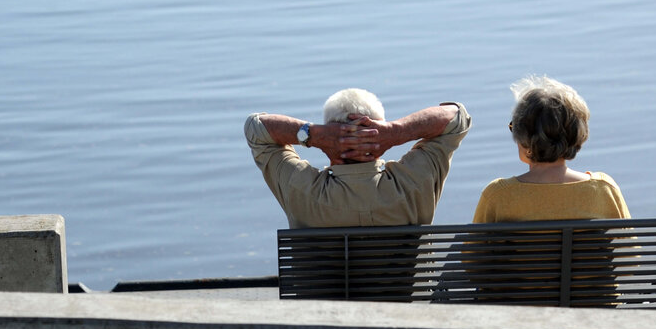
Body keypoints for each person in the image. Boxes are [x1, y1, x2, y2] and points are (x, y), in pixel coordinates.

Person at [245, 89, 470, 228]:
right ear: (379, 129)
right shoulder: (415, 182)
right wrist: (396, 131)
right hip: (407, 303)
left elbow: (256, 128)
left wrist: (315, 135)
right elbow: (457, 117)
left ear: (329, 131)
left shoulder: (301, 188)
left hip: (322, 304)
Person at [472, 76, 629, 223]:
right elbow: (628, 250)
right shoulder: (604, 190)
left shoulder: (498, 195)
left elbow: (473, 250)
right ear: (577, 134)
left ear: (523, 138)